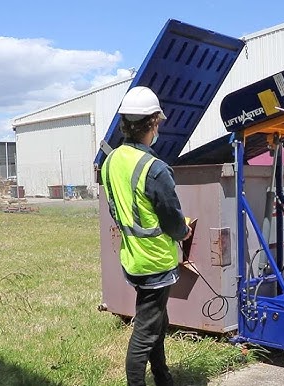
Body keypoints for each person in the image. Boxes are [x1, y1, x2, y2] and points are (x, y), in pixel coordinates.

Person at [100, 86, 192, 386]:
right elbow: (173, 221)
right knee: (145, 331)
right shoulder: (155, 169)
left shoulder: (110, 162)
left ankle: (163, 377)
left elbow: (118, 208)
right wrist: (184, 230)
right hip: (155, 261)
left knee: (156, 321)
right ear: (153, 123)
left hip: (132, 257)